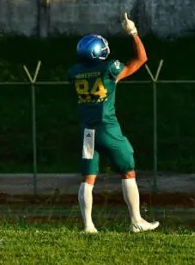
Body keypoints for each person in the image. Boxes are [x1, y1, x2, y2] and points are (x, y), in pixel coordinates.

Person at [67, 12, 159, 234]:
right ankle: (136, 220)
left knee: (88, 179)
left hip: (88, 131)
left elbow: (90, 74)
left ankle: (88, 225)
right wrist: (133, 33)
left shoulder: (74, 72)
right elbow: (140, 60)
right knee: (128, 171)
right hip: (108, 127)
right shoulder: (109, 69)